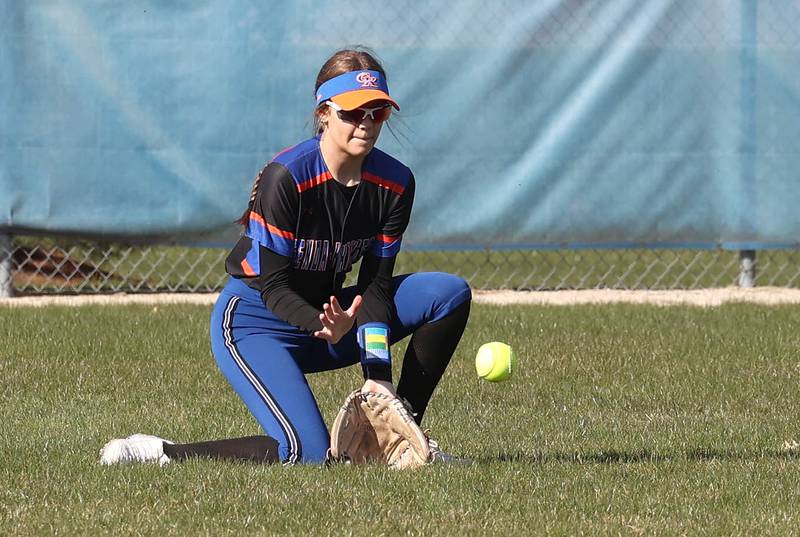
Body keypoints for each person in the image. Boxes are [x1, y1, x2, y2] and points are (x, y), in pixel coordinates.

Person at [100, 48, 472, 466]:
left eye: (378, 113)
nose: (366, 124)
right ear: (324, 113)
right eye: (352, 113)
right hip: (257, 324)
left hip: (331, 319)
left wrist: (377, 375)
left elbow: (376, 286)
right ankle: (163, 453)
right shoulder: (288, 176)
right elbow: (274, 287)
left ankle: (402, 442)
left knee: (447, 293)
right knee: (307, 453)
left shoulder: (395, 182)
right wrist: (323, 325)